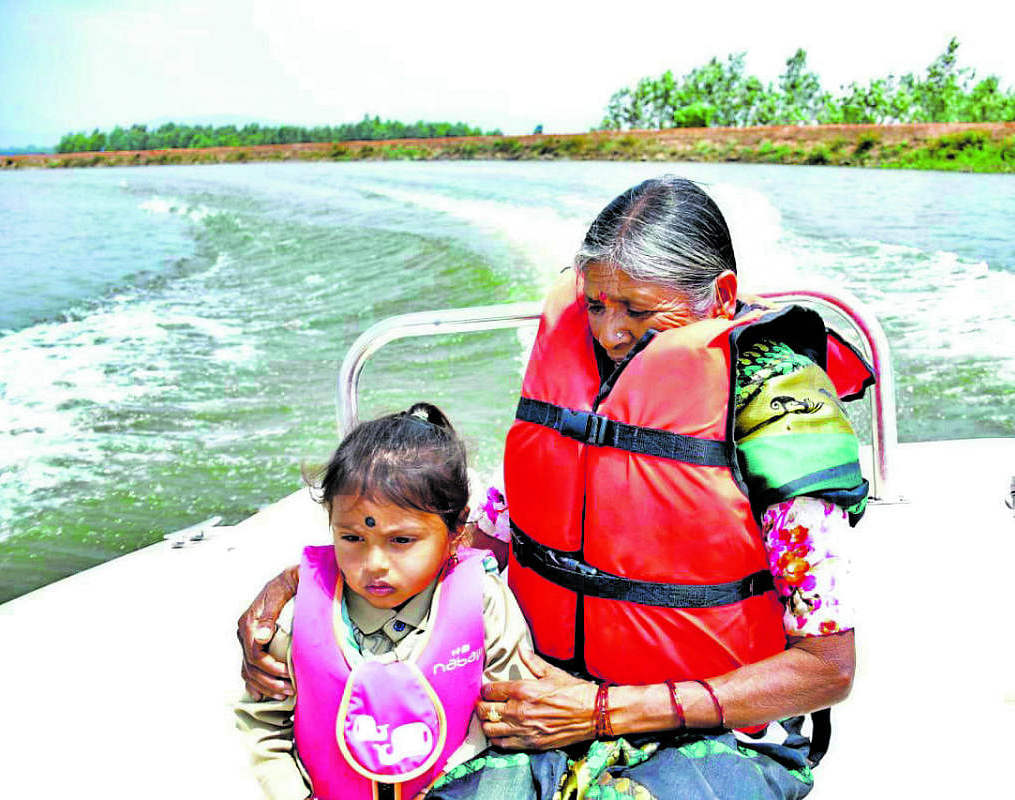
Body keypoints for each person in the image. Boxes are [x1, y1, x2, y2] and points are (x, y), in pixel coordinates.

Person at [239, 176, 870, 800]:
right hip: (539, 693)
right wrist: (308, 588)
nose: (609, 332)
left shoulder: (781, 411)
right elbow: (471, 543)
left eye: (639, 311)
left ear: (721, 296)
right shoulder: (574, 390)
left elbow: (826, 667)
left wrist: (603, 711)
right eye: (595, 304)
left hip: (718, 731)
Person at [234, 403, 534, 800]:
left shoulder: (484, 602)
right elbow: (265, 726)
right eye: (352, 538)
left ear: (457, 530)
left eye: (401, 541)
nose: (374, 565)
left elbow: (513, 711)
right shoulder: (295, 613)